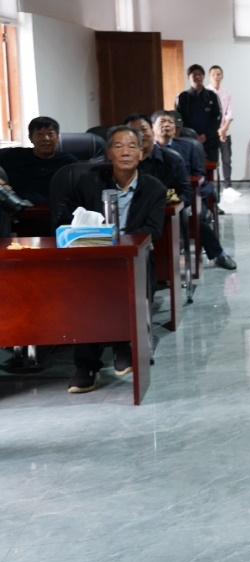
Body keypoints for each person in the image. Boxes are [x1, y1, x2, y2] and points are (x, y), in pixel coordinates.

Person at [63, 126, 167, 393]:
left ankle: (123, 346)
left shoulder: (154, 188)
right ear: (108, 153)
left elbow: (152, 231)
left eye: (132, 146)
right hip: (92, 259)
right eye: (119, 146)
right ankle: (87, 366)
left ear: (142, 153)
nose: (126, 152)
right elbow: (70, 220)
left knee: (125, 290)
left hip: (133, 260)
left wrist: (121, 247)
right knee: (85, 296)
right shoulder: (88, 183)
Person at [152, 110, 237, 270]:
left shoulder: (188, 147)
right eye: (162, 122)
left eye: (170, 122)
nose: (166, 125)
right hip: (156, 199)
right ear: (152, 127)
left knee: (196, 219)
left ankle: (219, 254)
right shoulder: (146, 151)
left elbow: (200, 175)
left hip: (186, 197)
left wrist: (186, 196)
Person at [0, 116, 79, 238]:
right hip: (19, 215)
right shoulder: (13, 156)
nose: (45, 139)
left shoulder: (68, 161)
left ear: (57, 137)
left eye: (50, 134)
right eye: (39, 134)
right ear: (30, 138)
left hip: (56, 216)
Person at [175, 64, 223, 164]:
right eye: (194, 75)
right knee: (191, 168)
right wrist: (192, 135)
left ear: (203, 77)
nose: (197, 77)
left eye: (200, 74)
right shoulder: (183, 97)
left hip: (209, 141)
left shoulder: (212, 96)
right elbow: (178, 118)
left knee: (210, 168)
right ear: (189, 77)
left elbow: (217, 117)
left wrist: (206, 135)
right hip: (189, 141)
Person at [206, 65, 234, 188]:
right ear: (209, 77)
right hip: (211, 134)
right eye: (213, 74)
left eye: (218, 74)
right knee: (212, 161)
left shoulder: (227, 93)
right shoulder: (206, 93)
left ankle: (227, 185)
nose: (216, 77)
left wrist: (223, 129)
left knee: (227, 160)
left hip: (225, 132)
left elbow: (229, 113)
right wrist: (217, 130)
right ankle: (212, 185)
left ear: (222, 76)